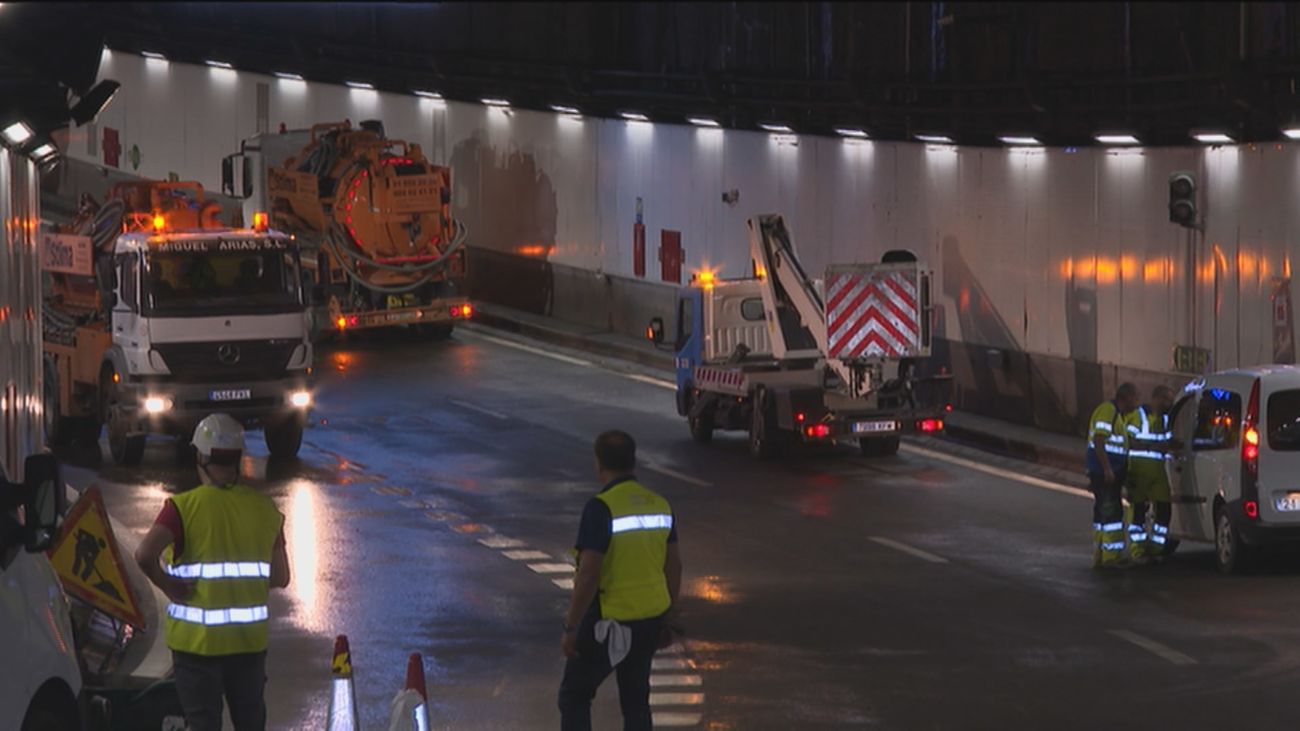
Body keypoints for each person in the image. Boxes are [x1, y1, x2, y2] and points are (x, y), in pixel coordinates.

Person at [134, 414, 290, 731]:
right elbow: (280, 577)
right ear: (237, 458)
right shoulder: (266, 510)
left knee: (203, 723)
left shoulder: (181, 509)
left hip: (197, 648)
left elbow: (144, 555)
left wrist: (167, 584)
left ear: (201, 457)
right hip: (248, 646)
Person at [558, 431, 683, 731]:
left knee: (574, 696)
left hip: (609, 622)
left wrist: (572, 626)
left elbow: (589, 573)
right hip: (649, 620)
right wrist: (667, 617)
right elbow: (674, 566)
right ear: (632, 461)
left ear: (599, 463)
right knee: (636, 701)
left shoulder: (601, 507)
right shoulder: (660, 504)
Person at [1086, 383, 1141, 569]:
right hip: (1105, 472)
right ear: (1127, 397)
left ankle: (1101, 554)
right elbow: (1099, 440)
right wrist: (1107, 469)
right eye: (1136, 398)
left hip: (1109, 472)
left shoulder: (1118, 415)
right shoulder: (1108, 411)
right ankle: (1110, 557)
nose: (1137, 402)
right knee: (1111, 513)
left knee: (1104, 511)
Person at [1125, 385, 1180, 564]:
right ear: (1157, 398)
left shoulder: (1165, 419)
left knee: (1164, 509)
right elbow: (1127, 441)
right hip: (1138, 472)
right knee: (1138, 512)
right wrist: (1152, 447)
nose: (1169, 404)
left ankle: (1156, 548)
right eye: (1167, 400)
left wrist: (1176, 445)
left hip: (1157, 473)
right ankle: (1138, 549)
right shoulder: (1138, 416)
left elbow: (1168, 441)